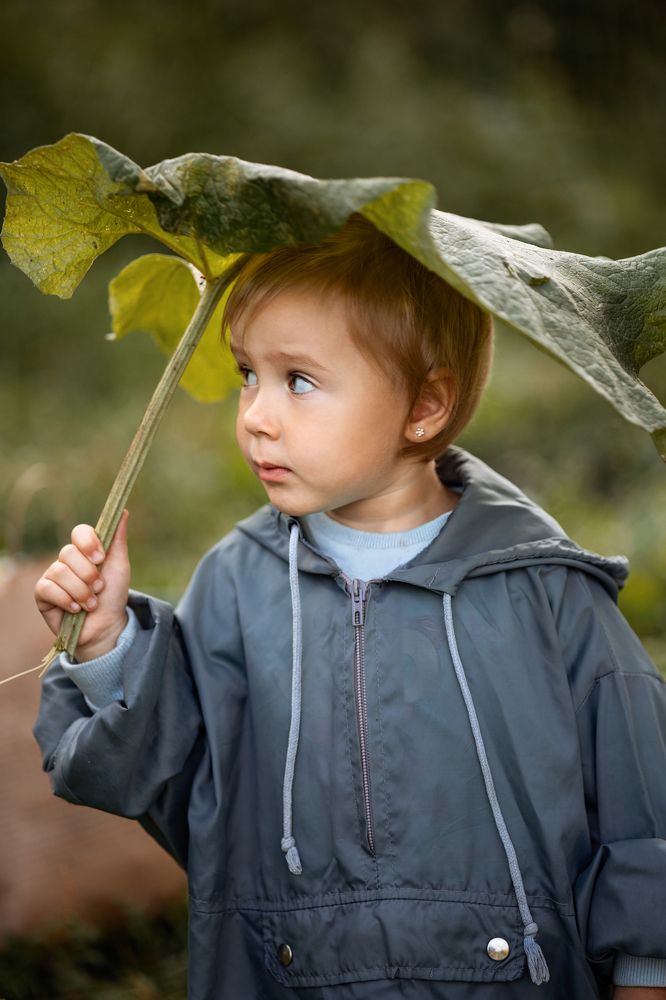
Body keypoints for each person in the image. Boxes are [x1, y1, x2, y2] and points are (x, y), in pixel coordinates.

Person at [34, 215, 666, 1000]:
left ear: (425, 406)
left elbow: (646, 811)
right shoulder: (235, 584)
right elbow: (175, 787)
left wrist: (645, 975)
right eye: (247, 374)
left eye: (298, 380)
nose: (257, 415)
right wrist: (106, 647)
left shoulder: (550, 593)